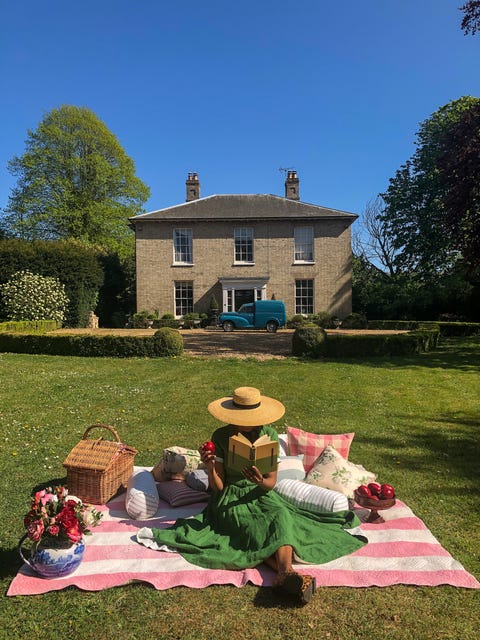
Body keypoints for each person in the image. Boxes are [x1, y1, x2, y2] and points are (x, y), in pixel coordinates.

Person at [137, 387, 366, 605]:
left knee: (280, 515)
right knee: (247, 527)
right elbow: (218, 487)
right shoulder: (220, 436)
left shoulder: (269, 434)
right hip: (229, 496)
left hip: (260, 492)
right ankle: (287, 572)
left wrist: (259, 481)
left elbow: (270, 483)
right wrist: (209, 466)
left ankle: (284, 573)